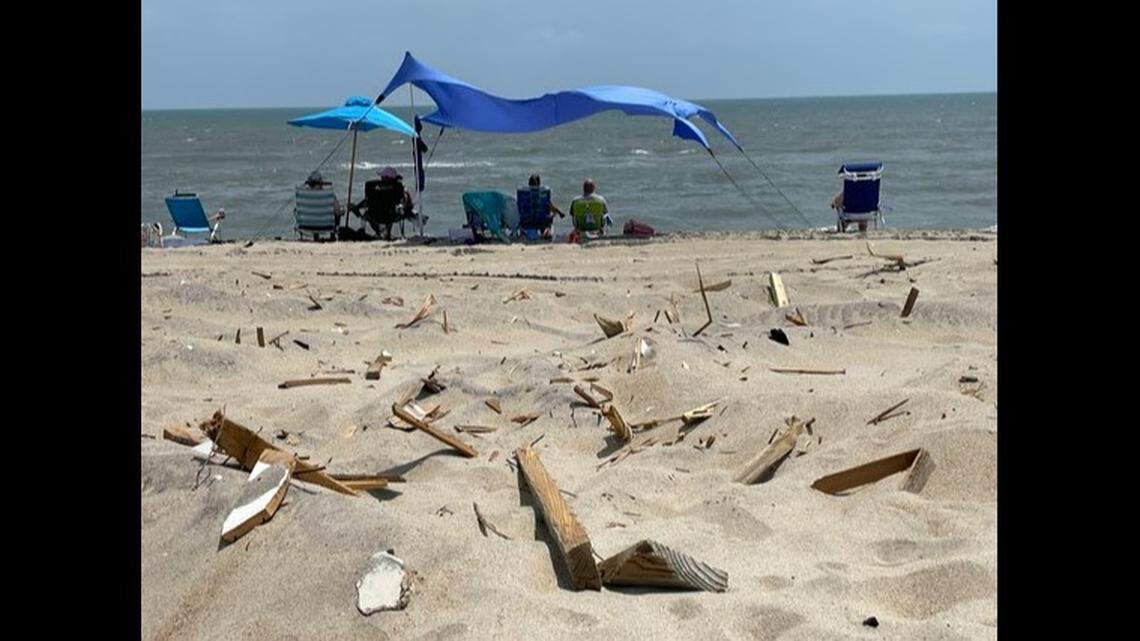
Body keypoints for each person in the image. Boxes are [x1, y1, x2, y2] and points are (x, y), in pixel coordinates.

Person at [353, 166, 414, 240]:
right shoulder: (396, 188)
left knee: (366, 214)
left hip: (374, 215)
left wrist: (356, 208)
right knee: (394, 210)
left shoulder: (373, 188)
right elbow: (403, 202)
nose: (381, 178)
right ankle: (387, 233)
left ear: (386, 178)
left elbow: (367, 201)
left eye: (382, 176)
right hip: (391, 216)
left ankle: (377, 233)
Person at [524, 173, 564, 239]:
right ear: (539, 184)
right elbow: (551, 207)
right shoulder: (543, 196)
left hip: (527, 222)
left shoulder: (524, 195)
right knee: (551, 214)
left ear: (529, 183)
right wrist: (560, 213)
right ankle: (546, 231)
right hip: (542, 221)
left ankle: (525, 233)